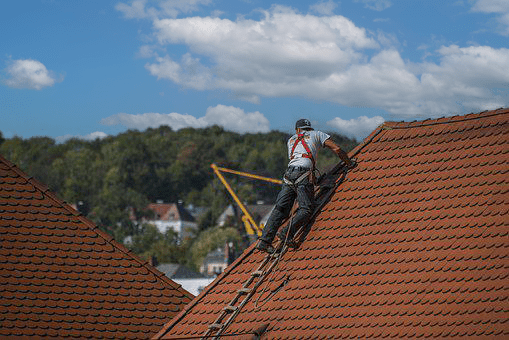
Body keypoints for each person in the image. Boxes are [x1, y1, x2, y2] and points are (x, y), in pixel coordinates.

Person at [256, 118, 354, 253]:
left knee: (280, 209)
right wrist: (349, 163)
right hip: (303, 174)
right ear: (310, 129)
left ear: (297, 130)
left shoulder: (290, 140)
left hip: (289, 175)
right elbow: (336, 149)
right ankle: (286, 233)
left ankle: (264, 241)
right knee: (306, 209)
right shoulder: (317, 134)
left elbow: (297, 158)